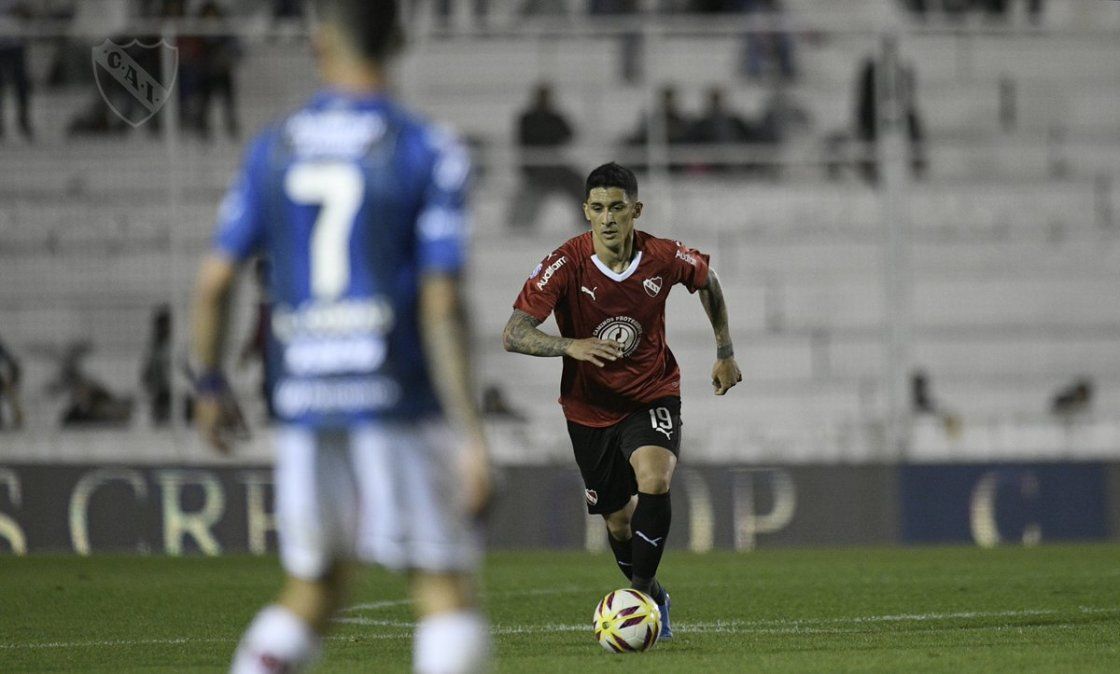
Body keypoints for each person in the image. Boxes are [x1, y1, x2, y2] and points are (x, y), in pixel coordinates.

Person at [189, 2, 492, 672]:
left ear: (319, 44)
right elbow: (442, 301)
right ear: (400, 38)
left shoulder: (273, 148)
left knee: (315, 589)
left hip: (305, 397)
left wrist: (208, 383)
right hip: (395, 394)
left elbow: (214, 283)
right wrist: (471, 432)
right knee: (441, 590)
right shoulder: (426, 148)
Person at [502, 162, 742, 640]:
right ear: (585, 211)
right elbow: (514, 333)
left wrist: (725, 351)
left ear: (636, 209)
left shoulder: (663, 256)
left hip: (651, 393)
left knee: (655, 478)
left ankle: (640, 599)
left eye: (617, 207)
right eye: (598, 208)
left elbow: (708, 280)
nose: (607, 218)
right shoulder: (565, 264)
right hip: (588, 409)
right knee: (617, 522)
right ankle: (655, 593)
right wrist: (570, 345)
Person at [510, 82, 585, 231]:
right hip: (536, 168)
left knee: (579, 183)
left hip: (555, 165)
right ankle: (519, 226)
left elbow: (569, 133)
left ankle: (588, 218)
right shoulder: (528, 118)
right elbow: (527, 140)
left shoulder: (554, 117)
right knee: (528, 199)